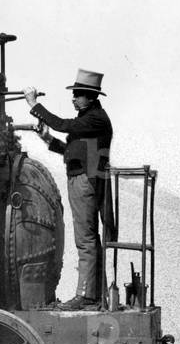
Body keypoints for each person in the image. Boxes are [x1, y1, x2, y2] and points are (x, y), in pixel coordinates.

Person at [24, 70, 114, 311]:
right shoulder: (89, 120)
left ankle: (86, 296)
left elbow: (64, 125)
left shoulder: (94, 118)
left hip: (85, 181)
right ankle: (95, 295)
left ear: (91, 97)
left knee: (85, 240)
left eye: (78, 95)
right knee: (88, 239)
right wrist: (47, 139)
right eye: (74, 95)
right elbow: (71, 152)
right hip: (81, 178)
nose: (73, 99)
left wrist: (34, 105)